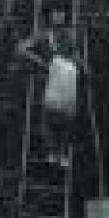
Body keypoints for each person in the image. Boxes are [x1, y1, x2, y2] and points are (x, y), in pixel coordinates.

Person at [15, 9, 84, 166]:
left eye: (61, 16)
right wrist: (40, 62)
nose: (59, 19)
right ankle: (53, 151)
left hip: (66, 79)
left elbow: (75, 55)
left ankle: (63, 153)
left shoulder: (68, 37)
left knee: (69, 118)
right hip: (50, 79)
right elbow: (21, 48)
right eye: (56, 16)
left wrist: (81, 65)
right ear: (51, 20)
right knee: (48, 118)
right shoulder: (43, 36)